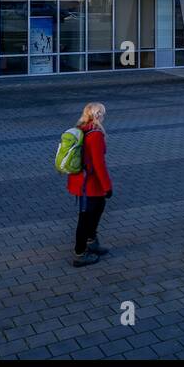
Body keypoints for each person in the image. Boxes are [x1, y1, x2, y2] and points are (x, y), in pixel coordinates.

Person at [67, 102, 113, 268]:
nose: (104, 116)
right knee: (86, 217)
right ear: (98, 114)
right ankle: (79, 254)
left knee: (98, 208)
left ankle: (92, 241)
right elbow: (99, 164)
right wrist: (107, 186)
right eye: (103, 113)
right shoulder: (95, 134)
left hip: (80, 180)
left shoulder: (81, 129)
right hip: (90, 184)